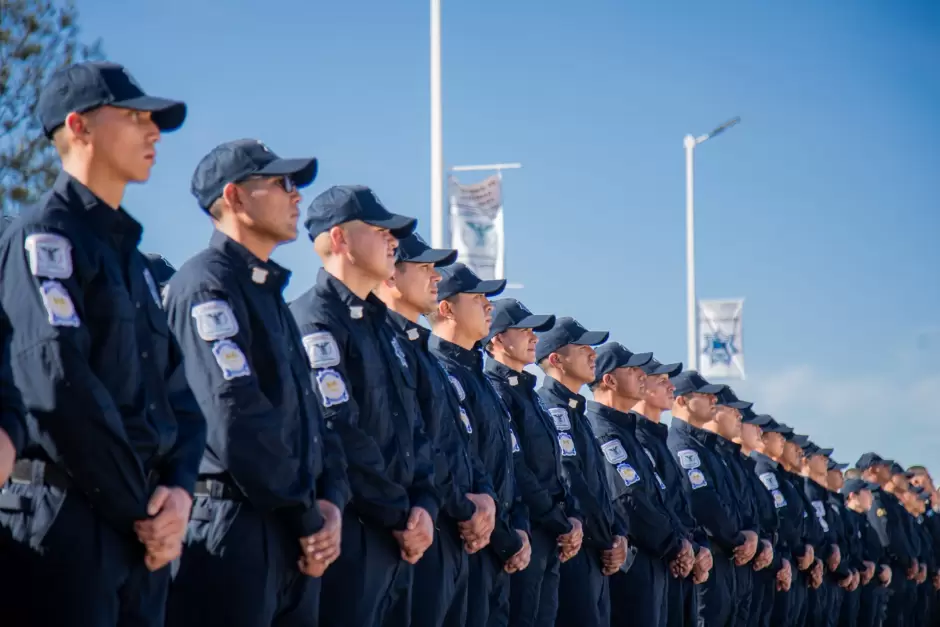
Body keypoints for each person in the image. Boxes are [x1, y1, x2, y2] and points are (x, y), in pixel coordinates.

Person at [0, 61, 204, 627]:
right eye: (135, 116)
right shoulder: (45, 238)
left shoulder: (134, 262)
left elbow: (179, 400)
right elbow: (58, 384)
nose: (153, 131)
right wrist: (141, 508)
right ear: (80, 127)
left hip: (142, 534)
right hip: (66, 524)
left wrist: (179, 494)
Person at [163, 139, 347, 627]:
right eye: (282, 183)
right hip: (234, 527)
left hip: (289, 530)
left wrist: (329, 503)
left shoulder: (268, 293)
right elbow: (234, 417)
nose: (296, 196)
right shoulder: (207, 285)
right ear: (235, 198)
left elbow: (310, 418)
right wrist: (307, 515)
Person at [291, 185, 439, 627]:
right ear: (340, 240)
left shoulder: (387, 332)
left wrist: (424, 506)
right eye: (379, 230)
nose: (393, 240)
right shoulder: (314, 319)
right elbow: (337, 429)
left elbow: (414, 431)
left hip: (401, 535)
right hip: (352, 530)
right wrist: (402, 513)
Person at [375, 234, 498, 627]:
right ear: (392, 277)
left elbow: (459, 447)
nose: (433, 277)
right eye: (424, 268)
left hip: (456, 529)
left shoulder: (427, 360)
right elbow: (397, 442)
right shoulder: (392, 347)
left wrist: (488, 504)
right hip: (413, 526)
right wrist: (462, 508)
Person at [428, 263, 532, 627]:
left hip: (497, 549)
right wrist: (504, 536)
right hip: (463, 540)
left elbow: (507, 467)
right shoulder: (439, 370)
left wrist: (518, 529)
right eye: (478, 299)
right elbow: (458, 462)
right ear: (447, 309)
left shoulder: (483, 381)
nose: (489, 307)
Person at [482, 298, 584, 627]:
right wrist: (559, 520)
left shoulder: (532, 395)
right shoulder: (496, 390)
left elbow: (557, 470)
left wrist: (573, 517)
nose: (533, 338)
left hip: (551, 535)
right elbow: (517, 468)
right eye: (524, 330)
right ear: (497, 338)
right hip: (526, 531)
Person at [586, 343, 695, 627]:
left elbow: (663, 499)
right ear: (609, 380)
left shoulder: (629, 433)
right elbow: (628, 500)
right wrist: (675, 546)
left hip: (657, 557)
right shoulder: (605, 431)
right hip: (634, 561)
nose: (641, 377)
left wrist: (688, 544)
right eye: (633, 371)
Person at [536, 317, 627, 627]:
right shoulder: (553, 408)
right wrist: (606, 541)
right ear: (556, 360)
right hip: (578, 550)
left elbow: (604, 490)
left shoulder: (578, 413)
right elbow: (571, 480)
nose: (593, 355)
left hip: (598, 552)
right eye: (583, 347)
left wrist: (620, 536)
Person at [666, 371, 758, 627]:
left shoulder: (710, 450)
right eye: (704, 395)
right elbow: (704, 503)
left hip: (730, 560)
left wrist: (753, 534)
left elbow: (740, 505)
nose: (712, 400)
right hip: (711, 559)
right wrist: (740, 540)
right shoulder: (683, 446)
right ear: (682, 401)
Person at [633, 357, 711, 627]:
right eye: (662, 382)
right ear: (642, 387)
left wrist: (697, 547)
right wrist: (679, 547)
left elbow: (678, 506)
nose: (671, 388)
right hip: (653, 558)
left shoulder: (659, 440)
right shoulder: (639, 439)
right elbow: (636, 502)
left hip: (680, 558)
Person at [709, 388, 769, 627]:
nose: (759, 431)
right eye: (734, 412)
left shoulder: (735, 462)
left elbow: (748, 510)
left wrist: (758, 539)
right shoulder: (706, 453)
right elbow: (706, 505)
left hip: (744, 560)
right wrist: (740, 540)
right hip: (721, 557)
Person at [729, 409, 784, 627]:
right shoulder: (753, 467)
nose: (759, 431)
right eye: (753, 424)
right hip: (738, 559)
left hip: (761, 562)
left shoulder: (749, 468)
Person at [742, 418, 800, 626]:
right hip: (762, 560)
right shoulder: (763, 470)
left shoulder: (775, 473)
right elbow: (776, 517)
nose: (783, 441)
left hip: (777, 558)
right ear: (764, 440)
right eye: (778, 435)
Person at [859, 453, 918, 627]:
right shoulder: (874, 498)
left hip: (899, 568)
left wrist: (911, 560)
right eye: (884, 466)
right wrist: (906, 560)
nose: (888, 470)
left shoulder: (885, 498)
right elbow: (885, 535)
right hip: (890, 566)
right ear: (873, 469)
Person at [842, 477, 891, 627]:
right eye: (866, 491)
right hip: (853, 583)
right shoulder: (847, 517)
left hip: (871, 584)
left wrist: (882, 567)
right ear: (852, 496)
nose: (870, 496)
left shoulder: (864, 520)